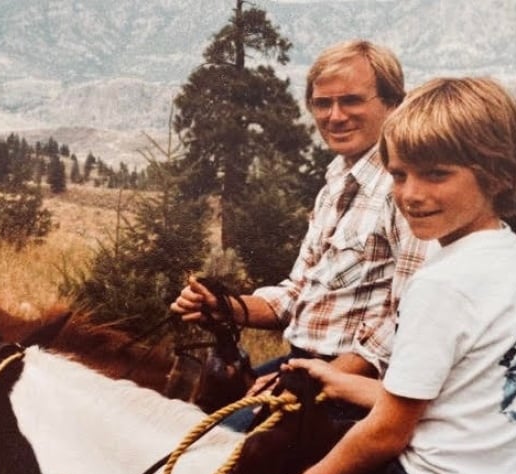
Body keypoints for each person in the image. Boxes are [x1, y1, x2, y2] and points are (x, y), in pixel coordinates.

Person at [230, 76, 516, 474]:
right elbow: (463, 398)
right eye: (399, 174)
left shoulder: (443, 282)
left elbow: (386, 433)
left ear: (497, 175)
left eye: (436, 174)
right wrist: (342, 382)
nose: (411, 194)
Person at [171, 40, 430, 418]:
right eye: (323, 103)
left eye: (351, 101)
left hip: (353, 391)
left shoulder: (403, 190)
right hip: (302, 368)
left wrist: (312, 380)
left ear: (392, 104)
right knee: (191, 427)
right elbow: (297, 294)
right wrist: (225, 307)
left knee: (218, 450)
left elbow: (405, 319)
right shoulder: (335, 185)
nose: (335, 116)